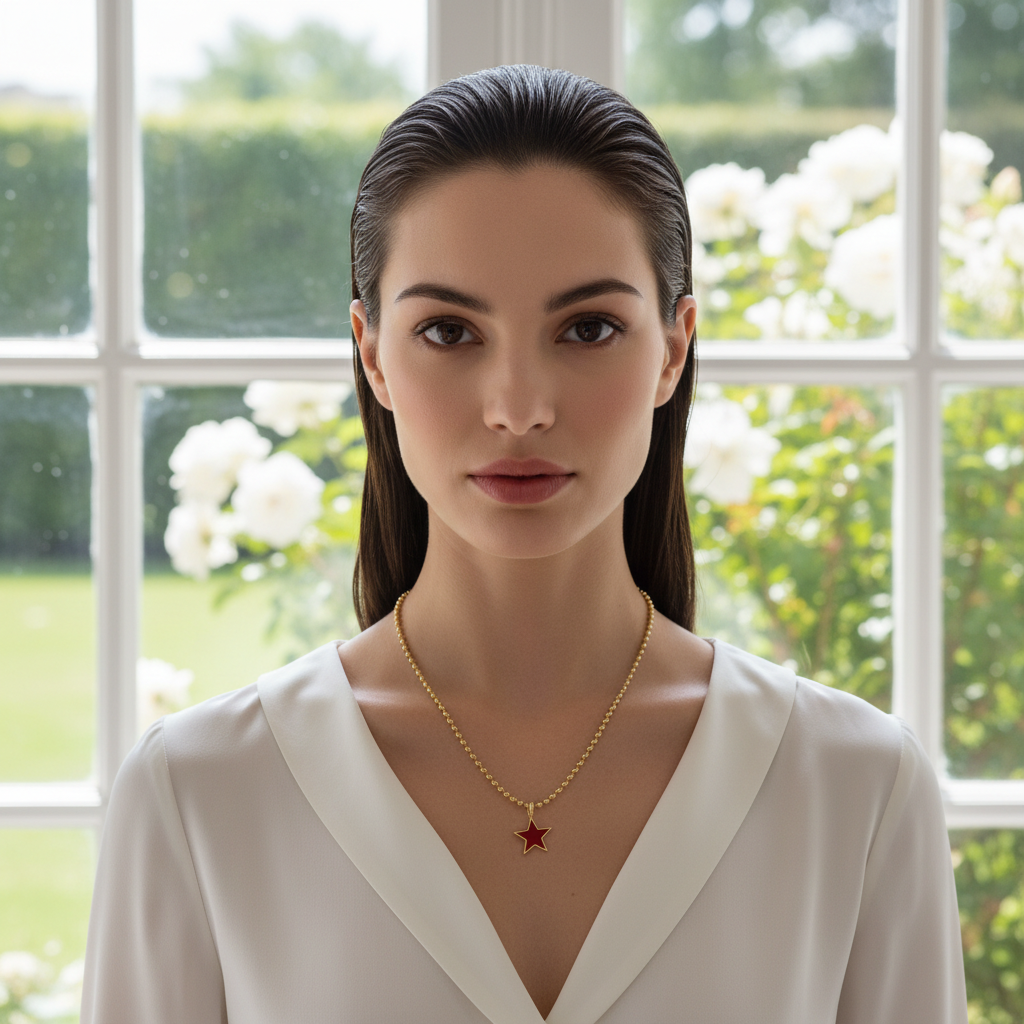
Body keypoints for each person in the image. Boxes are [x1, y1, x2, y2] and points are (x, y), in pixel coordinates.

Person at [81, 65, 968, 1023]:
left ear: (674, 348)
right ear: (372, 353)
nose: (518, 408)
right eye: (448, 331)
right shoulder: (200, 794)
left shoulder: (855, 788)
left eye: (587, 328)